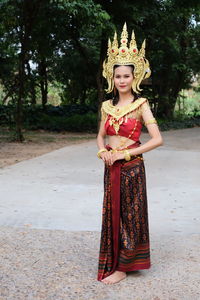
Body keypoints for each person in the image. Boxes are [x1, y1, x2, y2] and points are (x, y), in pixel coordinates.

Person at [96, 23, 163, 285]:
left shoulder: (141, 105)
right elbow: (101, 135)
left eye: (126, 75)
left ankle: (124, 266)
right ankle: (115, 261)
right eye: (117, 76)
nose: (121, 80)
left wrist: (126, 154)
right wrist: (102, 149)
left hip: (131, 168)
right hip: (110, 165)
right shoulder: (106, 106)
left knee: (129, 215)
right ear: (111, 77)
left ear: (134, 77)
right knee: (111, 212)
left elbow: (158, 139)